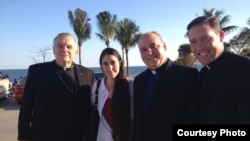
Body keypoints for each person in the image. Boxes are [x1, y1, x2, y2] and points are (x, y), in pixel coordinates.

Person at [18, 32, 95, 141]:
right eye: (60, 46)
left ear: (76, 51)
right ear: (53, 49)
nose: (64, 49)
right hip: (45, 135)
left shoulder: (88, 74)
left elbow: (93, 107)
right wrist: (24, 136)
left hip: (79, 135)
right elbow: (26, 106)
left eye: (69, 46)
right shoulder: (37, 72)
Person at [132, 31, 198, 141]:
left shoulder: (188, 75)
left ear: (164, 46)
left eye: (153, 46)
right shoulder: (138, 81)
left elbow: (194, 117)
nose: (149, 52)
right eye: (143, 49)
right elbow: (138, 121)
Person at [187, 16, 250, 124]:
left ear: (221, 36)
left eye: (205, 38)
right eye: (193, 42)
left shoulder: (244, 68)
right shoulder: (202, 73)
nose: (199, 47)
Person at [91, 47, 133, 141]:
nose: (109, 68)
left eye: (113, 62)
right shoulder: (97, 87)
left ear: (120, 62)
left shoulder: (131, 86)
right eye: (105, 64)